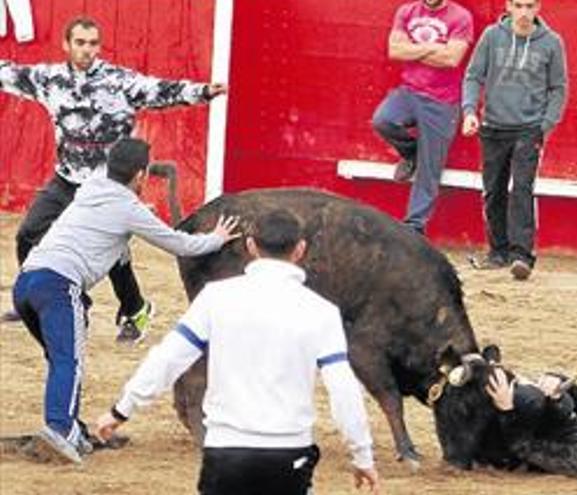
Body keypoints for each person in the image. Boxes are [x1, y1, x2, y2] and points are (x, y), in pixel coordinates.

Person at [95, 209, 380, 495]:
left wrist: (122, 409)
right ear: (300, 250)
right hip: (288, 452)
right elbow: (344, 389)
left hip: (226, 450)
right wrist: (362, 455)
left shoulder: (216, 298)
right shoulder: (322, 313)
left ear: (251, 246)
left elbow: (168, 357)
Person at [12, 138, 239, 464]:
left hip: (26, 283)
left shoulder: (90, 187)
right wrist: (215, 239)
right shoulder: (128, 209)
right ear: (141, 175)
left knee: (60, 358)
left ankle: (72, 428)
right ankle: (61, 431)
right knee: (68, 362)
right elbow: (180, 244)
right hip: (60, 287)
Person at [0, 16, 228, 341]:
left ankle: (135, 310)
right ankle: (52, 302)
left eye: (93, 43)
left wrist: (202, 92)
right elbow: (8, 74)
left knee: (115, 256)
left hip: (111, 186)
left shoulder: (118, 81)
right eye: (80, 43)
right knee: (28, 234)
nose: (87, 50)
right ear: (67, 45)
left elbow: (161, 90)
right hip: (67, 180)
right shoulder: (48, 79)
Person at [461, 0, 567, 281]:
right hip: (493, 125)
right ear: (508, 6)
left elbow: (558, 88)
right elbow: (473, 76)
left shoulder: (552, 42)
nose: (523, 12)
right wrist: (470, 111)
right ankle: (498, 252)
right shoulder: (491, 36)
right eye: (518, 5)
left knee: (521, 189)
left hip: (529, 128)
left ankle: (522, 255)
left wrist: (545, 126)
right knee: (493, 190)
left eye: (529, 6)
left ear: (538, 8)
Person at [371, 0, 474, 235]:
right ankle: (411, 153)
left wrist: (414, 49)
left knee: (430, 169)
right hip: (410, 91)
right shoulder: (407, 11)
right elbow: (395, 51)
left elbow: (452, 59)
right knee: (383, 120)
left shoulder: (460, 16)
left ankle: (414, 226)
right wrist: (434, 48)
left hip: (443, 101)